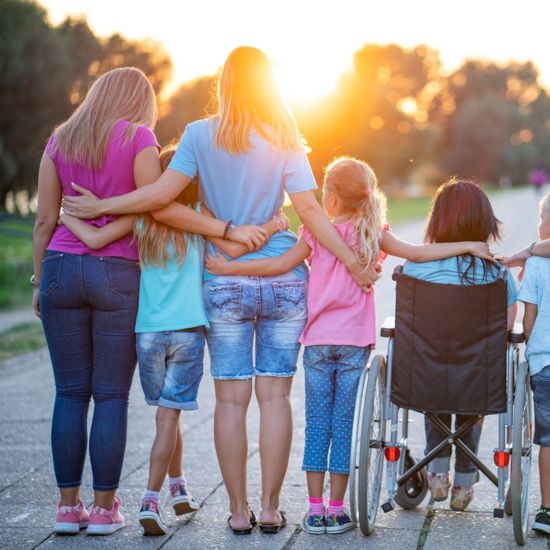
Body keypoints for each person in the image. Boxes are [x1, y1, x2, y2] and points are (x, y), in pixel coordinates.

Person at [62, 47, 382, 534]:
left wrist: (102, 204)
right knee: (276, 399)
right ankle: (272, 509)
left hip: (225, 278)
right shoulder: (285, 137)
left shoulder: (197, 135)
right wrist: (356, 263)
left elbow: (158, 198)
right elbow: (312, 214)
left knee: (231, 402)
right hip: (283, 283)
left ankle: (237, 512)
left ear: (224, 84)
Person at [205, 158, 495, 533]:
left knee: (317, 426)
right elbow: (419, 253)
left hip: (318, 344)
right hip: (355, 344)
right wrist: (468, 245)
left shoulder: (313, 234)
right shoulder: (373, 231)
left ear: (331, 198)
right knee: (344, 426)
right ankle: (337, 509)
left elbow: (278, 266)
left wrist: (228, 268)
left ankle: (313, 509)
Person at [59, 146, 289, 536]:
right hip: (187, 333)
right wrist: (274, 226)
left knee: (168, 414)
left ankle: (178, 487)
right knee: (170, 414)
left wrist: (67, 215)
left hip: (147, 333)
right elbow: (233, 246)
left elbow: (96, 241)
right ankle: (150, 499)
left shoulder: (143, 220)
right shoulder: (200, 219)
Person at [403, 180, 517, 512]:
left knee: (434, 389)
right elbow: (506, 329)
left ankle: (437, 474)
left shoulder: (414, 268)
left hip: (427, 373)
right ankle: (464, 485)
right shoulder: (497, 274)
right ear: (484, 222)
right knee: (471, 397)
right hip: (476, 374)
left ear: (436, 220)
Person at [517, 192, 550, 535]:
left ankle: (546, 511)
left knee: (548, 441)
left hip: (545, 363)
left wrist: (531, 345)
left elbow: (528, 320)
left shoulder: (537, 265)